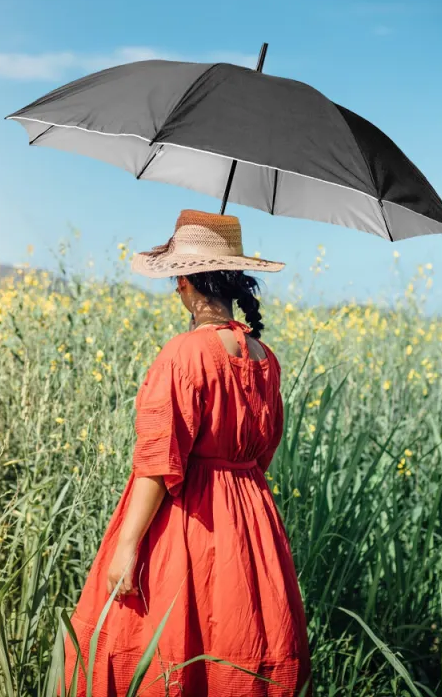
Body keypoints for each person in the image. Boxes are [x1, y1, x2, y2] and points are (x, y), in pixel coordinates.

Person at [62, 209, 312, 696]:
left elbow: (158, 462)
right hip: (251, 518)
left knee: (162, 648)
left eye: (179, 278)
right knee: (239, 641)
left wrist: (128, 545)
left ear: (187, 283)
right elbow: (264, 451)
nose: (177, 287)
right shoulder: (266, 359)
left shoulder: (183, 353)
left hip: (189, 517)